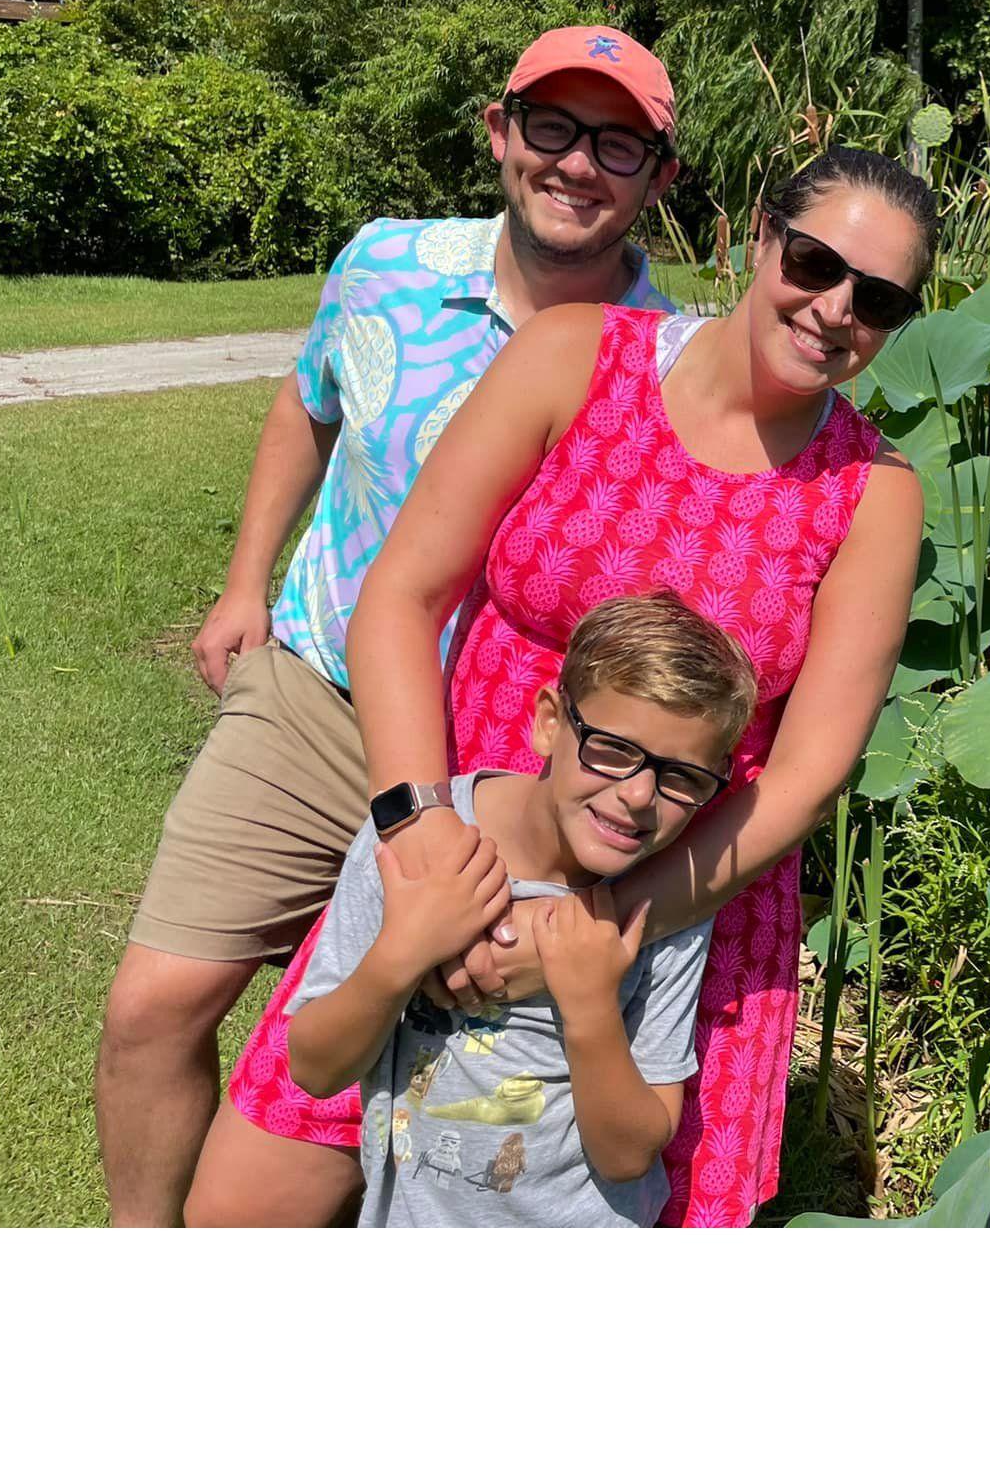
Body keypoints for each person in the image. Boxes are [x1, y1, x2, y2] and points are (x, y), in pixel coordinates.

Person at [196, 144, 931, 1227]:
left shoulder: (871, 490)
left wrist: (597, 926)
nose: (832, 309)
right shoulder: (575, 354)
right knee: (243, 1213)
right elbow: (401, 595)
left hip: (677, 893)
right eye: (814, 263)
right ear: (759, 236)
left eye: (876, 298)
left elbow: (807, 773)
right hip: (462, 832)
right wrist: (420, 834)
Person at [95, 25, 681, 1228]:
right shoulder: (384, 266)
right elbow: (308, 406)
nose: (578, 164)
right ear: (499, 131)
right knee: (153, 1004)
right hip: (320, 693)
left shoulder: (664, 358)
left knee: (443, 1037)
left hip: (501, 753)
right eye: (553, 127)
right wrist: (244, 576)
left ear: (660, 176)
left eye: (618, 142)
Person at [285, 593, 757, 1228]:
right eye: (614, 749)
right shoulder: (416, 850)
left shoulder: (668, 905)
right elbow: (314, 1068)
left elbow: (628, 1154)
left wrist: (590, 1004)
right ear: (549, 722)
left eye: (682, 779)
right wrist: (405, 949)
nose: (639, 795)